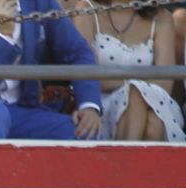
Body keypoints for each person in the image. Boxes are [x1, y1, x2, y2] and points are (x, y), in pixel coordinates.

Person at [0, 0, 100, 139]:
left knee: (86, 133)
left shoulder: (39, 3)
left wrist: (89, 106)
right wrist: (5, 36)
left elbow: (77, 52)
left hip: (23, 111)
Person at [70, 1, 184, 142]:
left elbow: (165, 82)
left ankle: (123, 161)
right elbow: (87, 75)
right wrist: (133, 86)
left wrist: (134, 88)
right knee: (141, 104)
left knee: (153, 121)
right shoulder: (86, 9)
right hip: (100, 102)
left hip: (155, 102)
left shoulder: (161, 17)